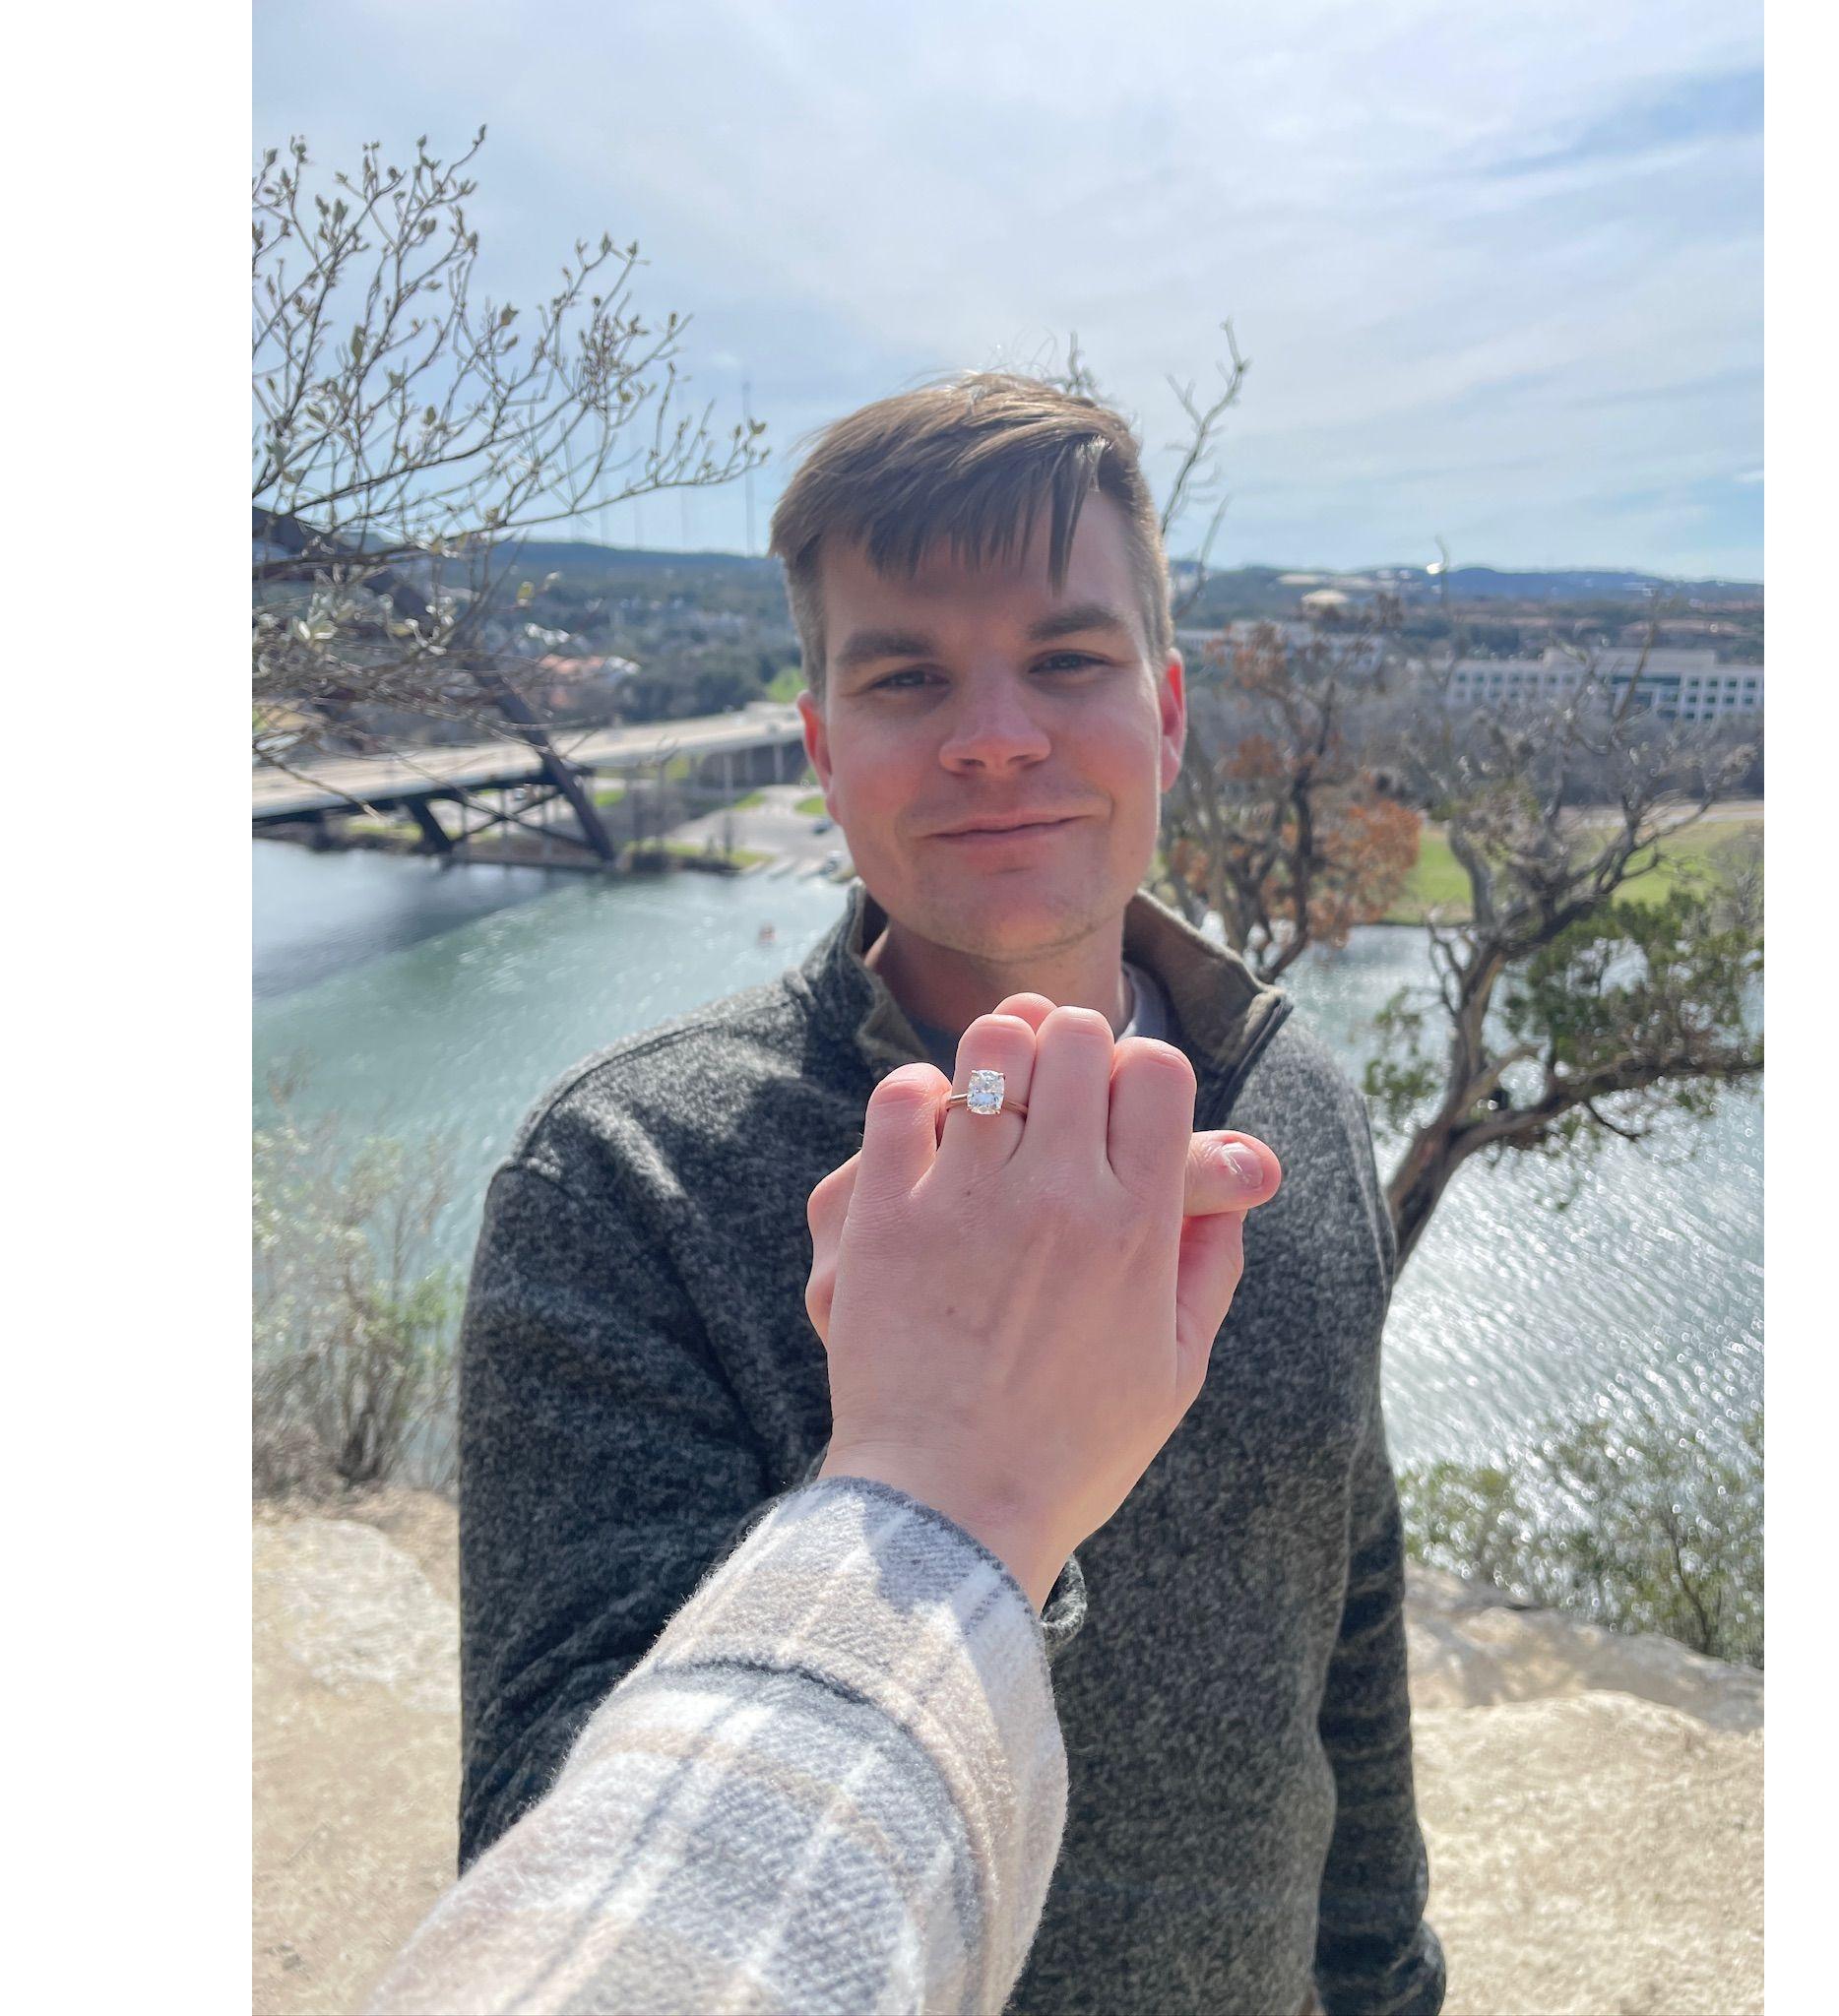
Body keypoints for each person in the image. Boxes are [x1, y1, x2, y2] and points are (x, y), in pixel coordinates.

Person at [458, 373, 1445, 2015]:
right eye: (909, 675)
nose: (996, 730)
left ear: (1168, 712)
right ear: (826, 750)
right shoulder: (626, 1181)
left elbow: (1340, 1612)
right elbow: (549, 1861)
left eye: (1067, 658)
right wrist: (964, 1519)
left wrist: (1386, 1981)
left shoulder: (1296, 1109)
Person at [373, 1003, 1279, 2014]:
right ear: (829, 827)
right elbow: (531, 1833)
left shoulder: (1292, 1086)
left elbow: (1346, 1585)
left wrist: (1382, 1970)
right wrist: (950, 1484)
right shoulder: (614, 1164)